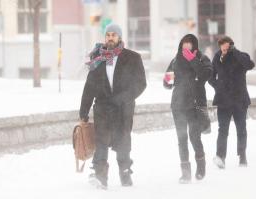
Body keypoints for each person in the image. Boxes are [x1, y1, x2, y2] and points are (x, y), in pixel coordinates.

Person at [79, 23, 147, 189]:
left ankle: (125, 171)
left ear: (119, 37)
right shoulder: (97, 59)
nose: (110, 38)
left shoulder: (132, 58)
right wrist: (83, 111)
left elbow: (141, 84)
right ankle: (101, 176)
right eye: (108, 35)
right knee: (101, 141)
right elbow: (89, 87)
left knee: (123, 140)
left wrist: (123, 98)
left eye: (113, 35)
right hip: (102, 108)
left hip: (123, 108)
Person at [163, 34, 212, 183]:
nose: (186, 46)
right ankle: (185, 173)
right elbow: (168, 82)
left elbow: (206, 75)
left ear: (194, 45)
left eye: (189, 44)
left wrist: (192, 59)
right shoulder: (176, 59)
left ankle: (201, 166)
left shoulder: (202, 58)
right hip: (178, 105)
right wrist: (167, 81)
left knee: (194, 137)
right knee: (182, 138)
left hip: (194, 105)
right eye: (184, 44)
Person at [208, 36, 255, 169]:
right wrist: (218, 86)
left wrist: (234, 52)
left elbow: (250, 65)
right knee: (222, 130)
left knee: (241, 129)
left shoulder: (240, 56)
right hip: (223, 100)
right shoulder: (217, 57)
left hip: (239, 99)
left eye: (227, 48)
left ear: (231, 46)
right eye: (222, 48)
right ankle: (220, 157)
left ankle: (242, 156)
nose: (224, 50)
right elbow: (210, 76)